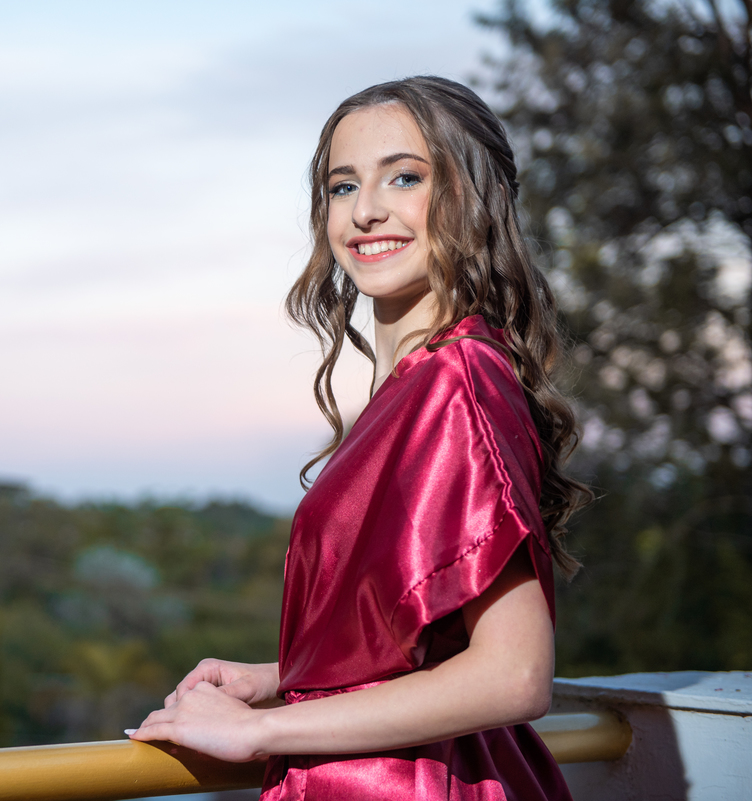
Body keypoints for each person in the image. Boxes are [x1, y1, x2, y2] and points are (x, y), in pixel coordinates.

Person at [127, 76, 593, 800]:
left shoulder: (456, 379)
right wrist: (282, 676)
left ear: (472, 198)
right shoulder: (416, 384)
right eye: (343, 187)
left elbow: (514, 672)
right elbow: (419, 629)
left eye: (405, 177)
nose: (366, 210)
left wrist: (260, 730)